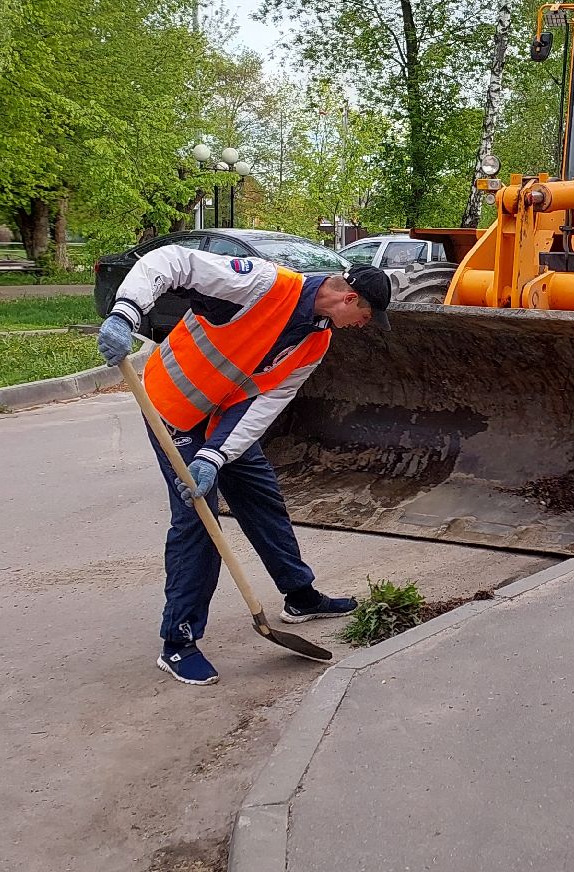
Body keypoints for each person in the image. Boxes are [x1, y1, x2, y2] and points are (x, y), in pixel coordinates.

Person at [95, 250, 392, 686]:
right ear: (348, 298)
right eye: (366, 316)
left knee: (261, 495)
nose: (363, 327)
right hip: (172, 406)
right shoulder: (262, 284)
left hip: (219, 420)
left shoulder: (317, 340)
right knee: (198, 520)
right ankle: (177, 642)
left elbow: (267, 402)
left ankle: (299, 595)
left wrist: (215, 455)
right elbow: (172, 261)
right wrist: (126, 313)